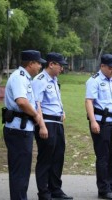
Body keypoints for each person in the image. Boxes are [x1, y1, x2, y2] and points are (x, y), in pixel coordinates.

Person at [3, 50, 48, 200]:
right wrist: (35, 115)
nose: (40, 66)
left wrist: (39, 120)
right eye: (38, 63)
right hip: (18, 130)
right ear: (30, 63)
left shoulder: (26, 78)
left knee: (22, 171)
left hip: (23, 129)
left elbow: (33, 103)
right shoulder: (19, 78)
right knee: (20, 171)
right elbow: (22, 101)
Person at [85, 54, 112, 200]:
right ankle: (103, 190)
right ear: (102, 66)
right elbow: (89, 101)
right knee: (103, 157)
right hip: (100, 123)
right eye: (110, 68)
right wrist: (93, 122)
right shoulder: (94, 81)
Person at [32, 52, 73, 200]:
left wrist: (62, 112)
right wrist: (42, 126)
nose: (61, 69)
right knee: (46, 158)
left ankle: (55, 189)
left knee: (58, 157)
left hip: (57, 122)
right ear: (51, 64)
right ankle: (43, 192)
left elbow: (54, 100)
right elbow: (37, 104)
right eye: (60, 65)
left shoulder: (54, 80)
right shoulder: (40, 80)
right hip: (47, 123)